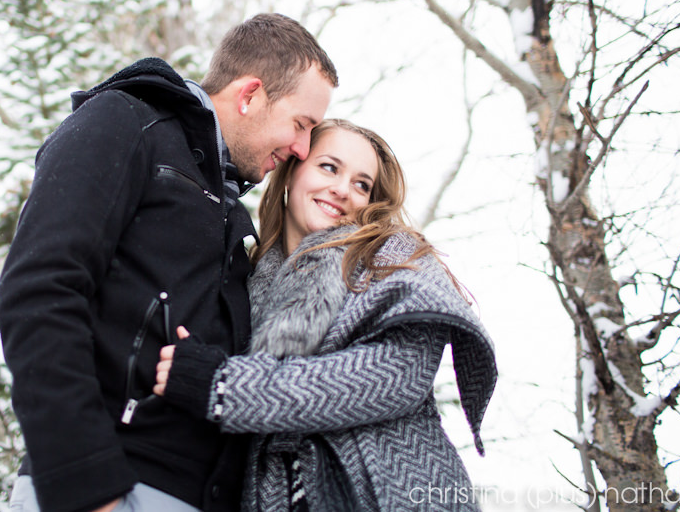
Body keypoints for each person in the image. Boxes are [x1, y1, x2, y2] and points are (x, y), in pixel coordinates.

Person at [0, 13, 338, 512]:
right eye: (300, 124)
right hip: (111, 485)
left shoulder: (229, 211)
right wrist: (87, 486)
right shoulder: (125, 123)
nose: (302, 149)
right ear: (250, 94)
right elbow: (39, 292)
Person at [154, 119, 497, 511]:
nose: (342, 190)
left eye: (362, 184)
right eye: (329, 167)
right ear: (290, 174)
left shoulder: (392, 257)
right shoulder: (243, 280)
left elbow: (397, 375)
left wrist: (224, 387)